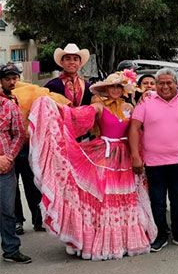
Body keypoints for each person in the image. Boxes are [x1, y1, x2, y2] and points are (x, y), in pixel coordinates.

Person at [30, 70, 157, 260]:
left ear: (123, 89)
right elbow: (77, 117)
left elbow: (138, 129)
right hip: (103, 155)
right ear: (106, 88)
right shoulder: (98, 105)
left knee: (126, 198)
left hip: (125, 156)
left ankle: (124, 241)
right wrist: (56, 108)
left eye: (119, 86)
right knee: (103, 199)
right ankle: (98, 242)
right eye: (112, 86)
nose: (115, 89)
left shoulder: (130, 107)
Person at [129, 68, 178, 252]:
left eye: (169, 83)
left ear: (176, 83)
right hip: (154, 161)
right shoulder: (147, 101)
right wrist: (135, 156)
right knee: (157, 200)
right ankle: (160, 235)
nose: (165, 87)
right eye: (161, 83)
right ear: (156, 85)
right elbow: (134, 128)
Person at [0, 65, 43, 235]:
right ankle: (18, 220)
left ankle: (38, 219)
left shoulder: (24, 93)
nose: (12, 82)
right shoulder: (3, 99)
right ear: (1, 80)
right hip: (7, 150)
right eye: (7, 79)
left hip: (25, 146)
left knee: (32, 183)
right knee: (13, 189)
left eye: (14, 78)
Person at [0, 81, 29, 263]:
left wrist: (8, 157)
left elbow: (19, 133)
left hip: (5, 167)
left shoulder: (9, 105)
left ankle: (11, 249)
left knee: (7, 209)